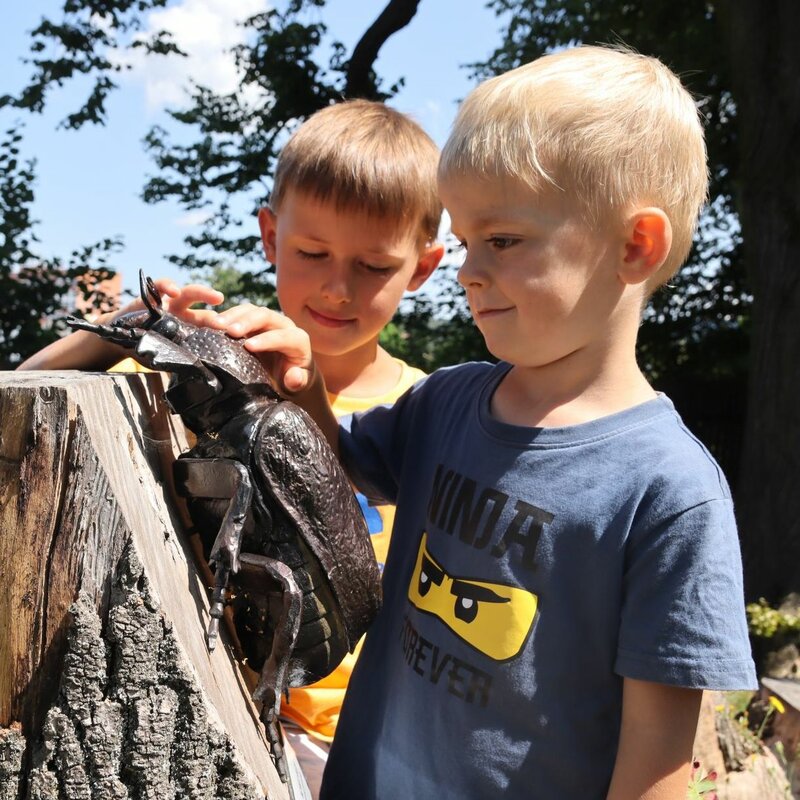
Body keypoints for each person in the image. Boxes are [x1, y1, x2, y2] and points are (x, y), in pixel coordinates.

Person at [213, 46, 758, 799]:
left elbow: (657, 757)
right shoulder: (447, 402)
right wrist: (296, 378)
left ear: (635, 245)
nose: (469, 271)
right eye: (466, 242)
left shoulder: (670, 493)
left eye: (501, 240)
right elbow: (331, 463)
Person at [18, 99, 444, 797]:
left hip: (378, 738)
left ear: (422, 268)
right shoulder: (210, 367)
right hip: (218, 720)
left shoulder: (429, 412)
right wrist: (129, 327)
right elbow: (23, 394)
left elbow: (333, 493)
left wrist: (303, 395)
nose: (338, 286)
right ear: (270, 236)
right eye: (312, 254)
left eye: (373, 265)